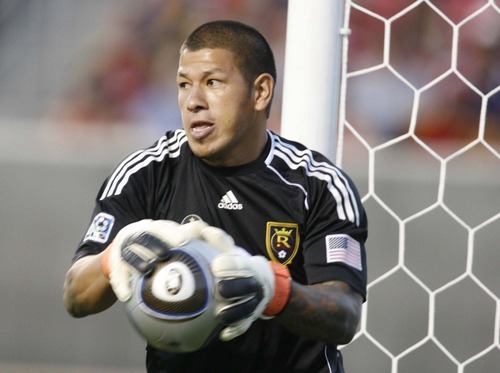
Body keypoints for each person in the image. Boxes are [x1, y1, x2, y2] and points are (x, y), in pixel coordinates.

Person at [63, 20, 367, 373]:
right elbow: (75, 295)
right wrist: (113, 257)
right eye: (183, 84)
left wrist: (273, 289)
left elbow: (343, 315)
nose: (193, 101)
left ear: (260, 92)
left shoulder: (318, 184)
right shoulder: (146, 173)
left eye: (212, 82)